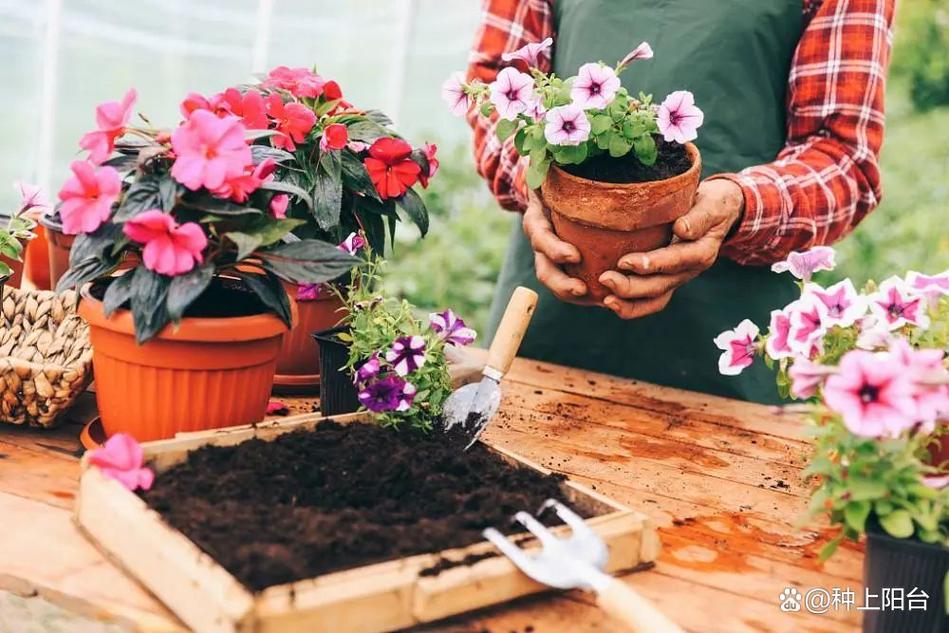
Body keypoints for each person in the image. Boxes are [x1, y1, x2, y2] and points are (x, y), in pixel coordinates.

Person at [467, 0, 895, 403]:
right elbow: (495, 84)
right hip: (554, 307)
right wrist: (536, 180)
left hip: (731, 339)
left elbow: (842, 156)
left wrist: (740, 204)